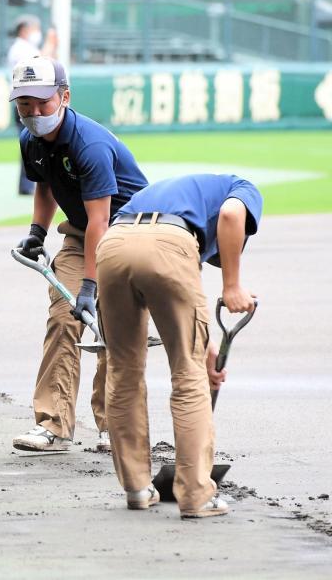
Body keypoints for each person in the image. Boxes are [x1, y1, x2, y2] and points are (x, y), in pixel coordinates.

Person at [97, 174, 262, 518]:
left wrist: (208, 349)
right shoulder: (242, 188)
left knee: (122, 369)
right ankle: (196, 495)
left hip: (113, 244)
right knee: (188, 376)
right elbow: (232, 216)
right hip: (170, 242)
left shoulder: (183, 195)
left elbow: (186, 302)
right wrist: (232, 284)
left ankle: (137, 488)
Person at [10, 56, 148, 453]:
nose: (34, 113)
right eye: (24, 105)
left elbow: (101, 223)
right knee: (63, 318)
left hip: (127, 236)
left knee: (112, 328)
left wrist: (89, 284)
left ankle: (114, 426)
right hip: (79, 235)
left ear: (64, 96)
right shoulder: (30, 139)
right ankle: (53, 424)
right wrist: (37, 232)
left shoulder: (90, 144)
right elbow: (45, 184)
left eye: (43, 103)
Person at [6, 14, 43, 196]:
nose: (37, 33)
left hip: (26, 100)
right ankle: (27, 185)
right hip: (24, 101)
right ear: (24, 29)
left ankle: (29, 184)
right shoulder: (21, 49)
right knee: (30, 144)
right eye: (34, 28)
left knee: (33, 144)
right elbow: (40, 65)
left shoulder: (23, 47)